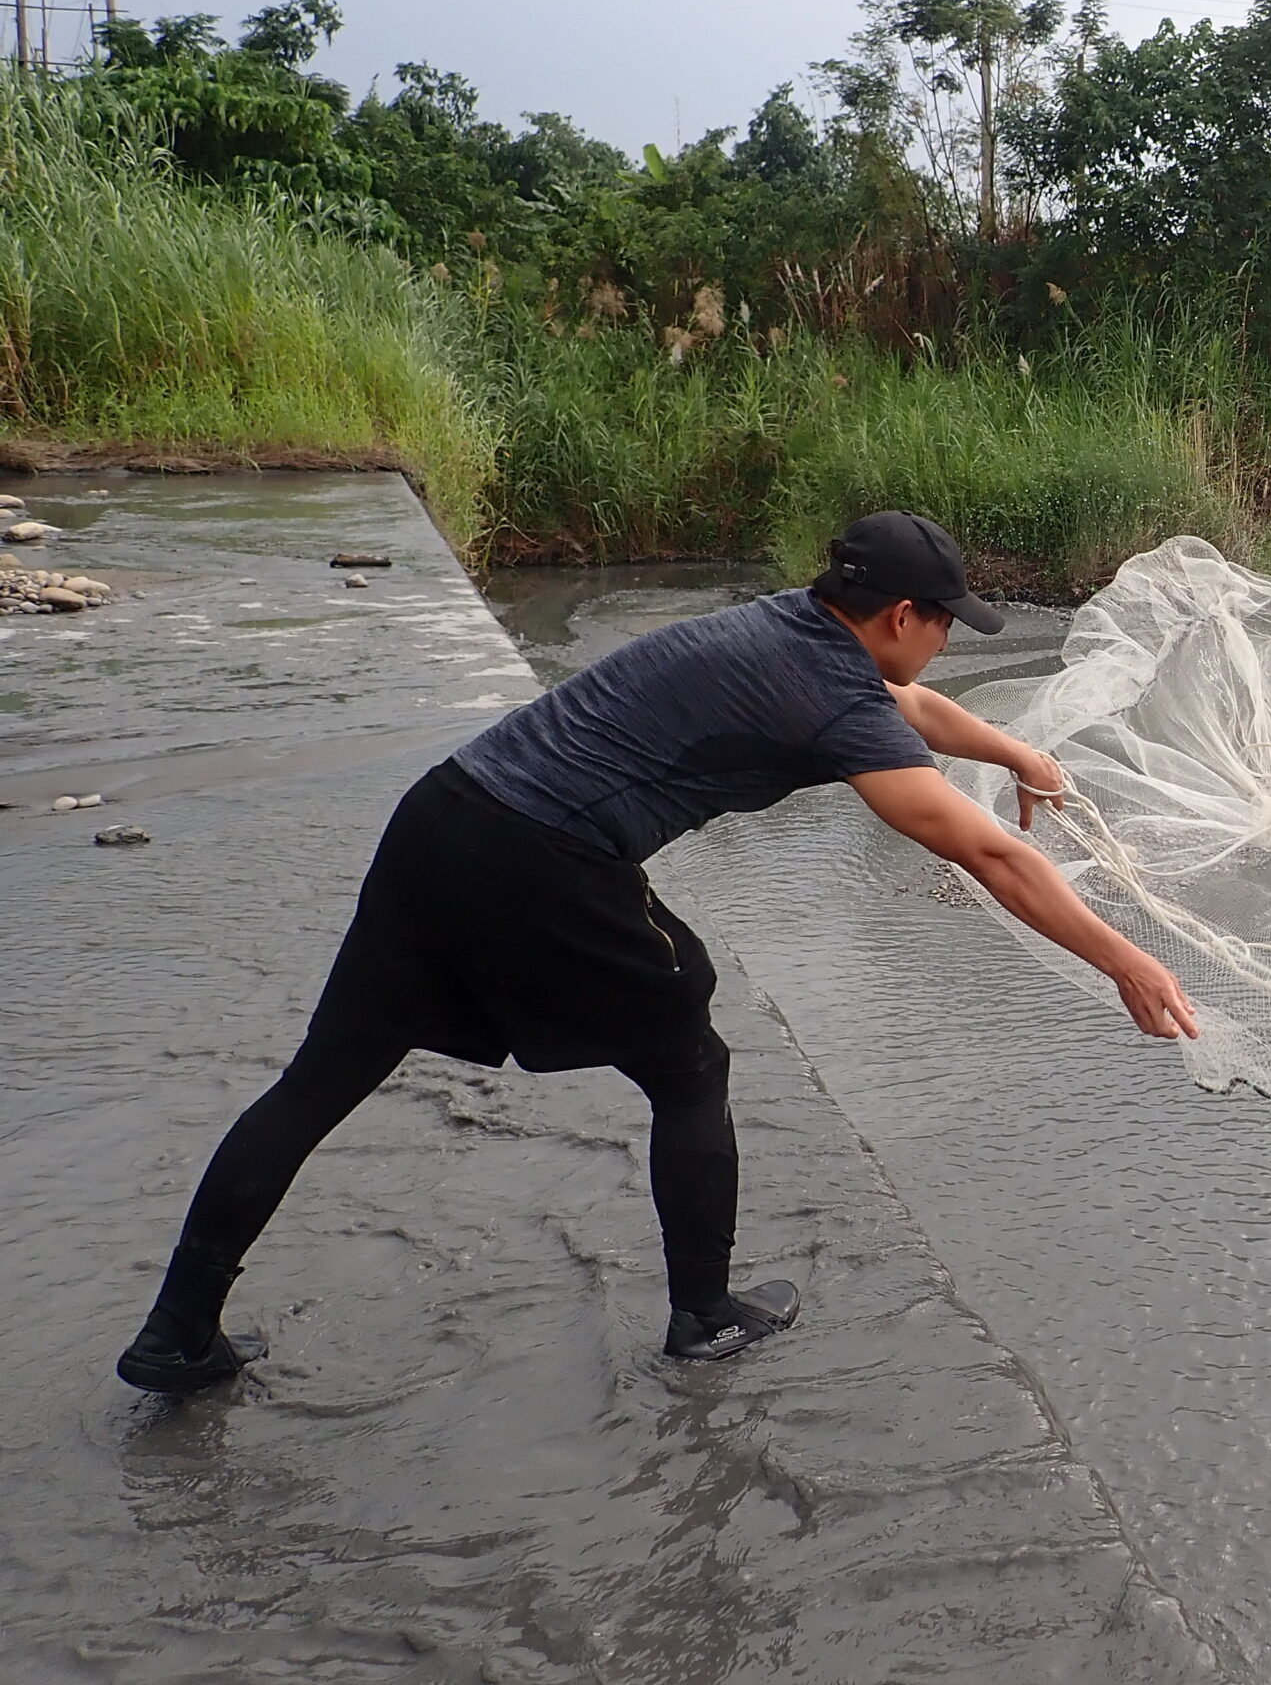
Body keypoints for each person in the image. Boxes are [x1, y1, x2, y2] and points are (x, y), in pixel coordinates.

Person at [117, 510, 1196, 1393]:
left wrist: (1017, 750)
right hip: (541, 857)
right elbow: (986, 855)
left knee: (321, 1080)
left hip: (444, 814)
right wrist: (1126, 963)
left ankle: (175, 1334)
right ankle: (704, 1318)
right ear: (901, 614)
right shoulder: (829, 691)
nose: (948, 642)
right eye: (947, 623)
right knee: (691, 1058)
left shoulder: (792, 626)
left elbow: (905, 703)